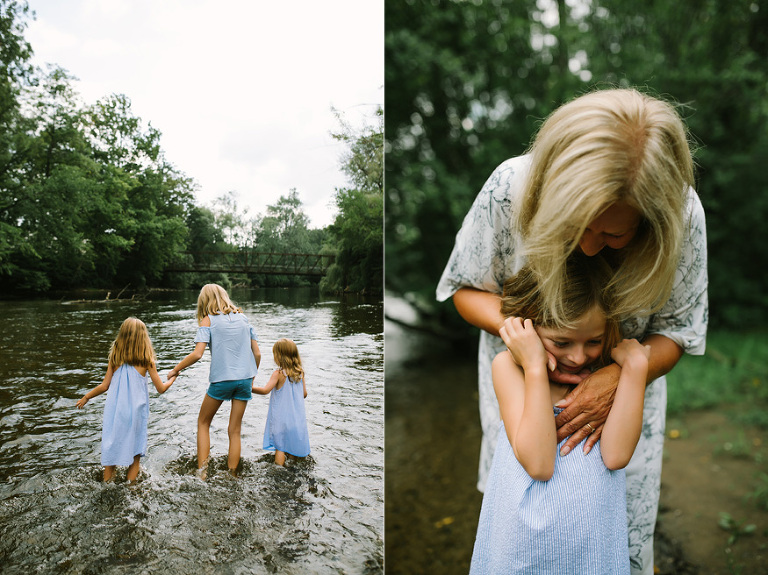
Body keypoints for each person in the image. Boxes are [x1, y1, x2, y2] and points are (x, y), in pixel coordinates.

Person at [436, 88, 708, 574]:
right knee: (520, 535)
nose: (587, 246)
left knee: (613, 548)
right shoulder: (510, 188)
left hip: (622, 411)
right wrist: (527, 343)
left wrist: (624, 379)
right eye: (574, 224)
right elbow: (464, 289)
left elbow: (679, 330)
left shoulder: (682, 216)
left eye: (612, 234)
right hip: (524, 397)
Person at [470, 254, 648, 574]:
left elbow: (616, 456)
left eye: (593, 341)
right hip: (525, 547)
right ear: (528, 325)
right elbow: (539, 464)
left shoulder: (605, 376)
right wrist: (535, 366)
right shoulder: (510, 370)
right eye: (561, 342)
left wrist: (634, 371)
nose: (578, 357)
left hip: (591, 547)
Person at [168, 284, 262, 478]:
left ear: (204, 301)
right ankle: (232, 474)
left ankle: (202, 473)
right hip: (244, 380)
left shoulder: (207, 321)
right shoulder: (244, 319)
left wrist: (176, 369)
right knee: (234, 430)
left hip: (222, 381)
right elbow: (257, 353)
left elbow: (197, 354)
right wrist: (251, 378)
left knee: (203, 422)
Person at [76, 317, 175, 482]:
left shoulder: (115, 359)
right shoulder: (147, 361)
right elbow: (161, 388)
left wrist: (86, 397)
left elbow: (104, 386)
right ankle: (131, 489)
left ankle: (107, 486)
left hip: (116, 413)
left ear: (122, 336)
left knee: (111, 453)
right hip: (136, 414)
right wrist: (173, 378)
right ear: (143, 338)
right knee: (135, 455)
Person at [252, 338, 310, 466]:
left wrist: (249, 388)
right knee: (291, 447)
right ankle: (292, 468)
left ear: (279, 356)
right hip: (296, 420)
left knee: (280, 447)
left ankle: (278, 471)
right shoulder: (300, 373)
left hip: (281, 420)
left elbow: (265, 390)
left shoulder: (278, 374)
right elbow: (304, 394)